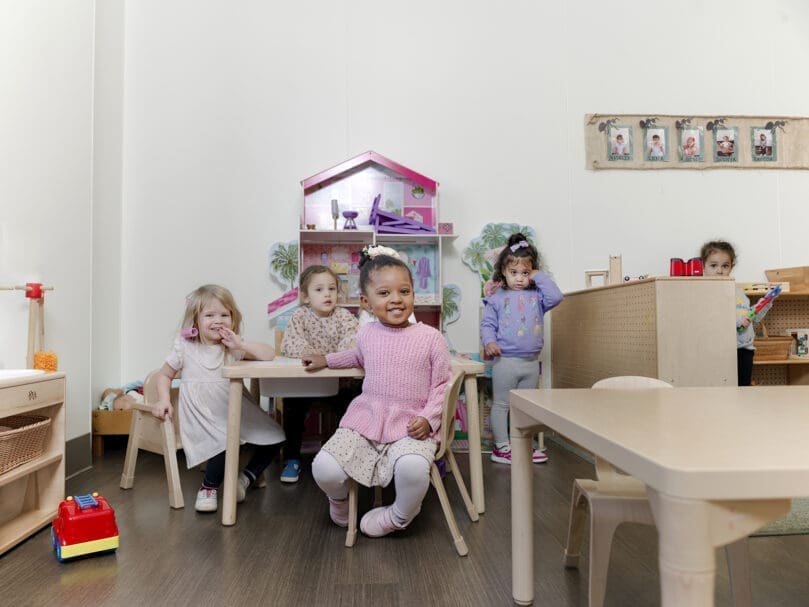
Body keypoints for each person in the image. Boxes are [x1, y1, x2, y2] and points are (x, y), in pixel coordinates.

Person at [303, 250, 452, 538]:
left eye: (404, 291)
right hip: (366, 421)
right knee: (324, 468)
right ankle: (339, 500)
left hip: (411, 425)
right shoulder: (367, 333)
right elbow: (357, 357)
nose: (396, 298)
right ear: (366, 303)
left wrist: (429, 418)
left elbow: (442, 386)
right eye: (384, 293)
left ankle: (398, 516)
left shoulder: (431, 337)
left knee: (412, 469)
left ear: (413, 295)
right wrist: (327, 359)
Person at [152, 284, 285, 512]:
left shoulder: (231, 347)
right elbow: (164, 375)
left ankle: (245, 478)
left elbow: (269, 354)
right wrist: (163, 399)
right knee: (223, 441)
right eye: (210, 315)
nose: (218, 320)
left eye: (225, 314)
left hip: (232, 409)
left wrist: (240, 344)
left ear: (233, 319)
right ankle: (208, 487)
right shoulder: (185, 347)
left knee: (276, 436)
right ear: (195, 320)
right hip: (201, 414)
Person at [480, 233, 564, 465]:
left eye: (525, 273)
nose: (519, 278)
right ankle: (502, 447)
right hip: (505, 361)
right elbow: (487, 325)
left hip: (530, 362)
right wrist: (490, 342)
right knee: (502, 405)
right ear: (503, 272)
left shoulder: (538, 296)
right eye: (513, 272)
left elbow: (557, 296)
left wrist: (539, 276)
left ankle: (524, 445)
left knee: (526, 407)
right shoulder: (497, 298)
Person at [279, 265, 360, 483]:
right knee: (292, 407)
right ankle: (292, 458)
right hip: (306, 384)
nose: (327, 294)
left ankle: (343, 456)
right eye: (319, 289)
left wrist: (330, 358)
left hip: (339, 384)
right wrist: (313, 354)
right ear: (305, 296)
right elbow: (291, 344)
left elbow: (354, 339)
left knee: (354, 405)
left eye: (332, 289)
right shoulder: (300, 316)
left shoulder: (343, 316)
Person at [700, 240, 772, 386]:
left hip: (745, 349)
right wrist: (738, 322)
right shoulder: (705, 293)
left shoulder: (738, 293)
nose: (719, 271)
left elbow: (754, 318)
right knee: (721, 387)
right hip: (720, 350)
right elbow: (712, 322)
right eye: (713, 265)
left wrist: (765, 304)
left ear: (731, 267)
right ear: (703, 266)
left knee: (742, 387)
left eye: (725, 266)